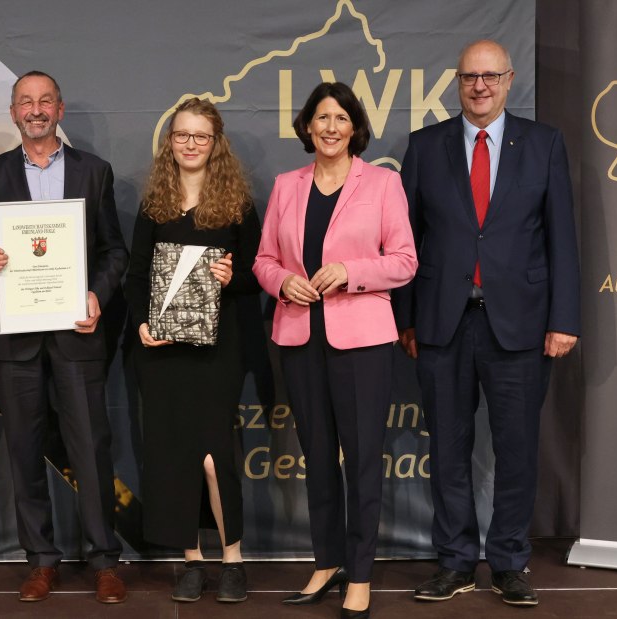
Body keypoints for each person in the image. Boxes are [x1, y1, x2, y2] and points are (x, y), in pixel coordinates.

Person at [394, 39, 580, 608]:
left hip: (521, 326)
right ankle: (454, 560)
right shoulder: (425, 146)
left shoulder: (544, 144)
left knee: (517, 450)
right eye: (470, 76)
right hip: (441, 324)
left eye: (490, 76)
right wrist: (406, 319)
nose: (480, 86)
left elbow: (561, 237)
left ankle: (508, 561)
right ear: (457, 82)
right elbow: (406, 239)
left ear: (509, 80)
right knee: (448, 451)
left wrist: (563, 319)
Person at [253, 81, 416, 619]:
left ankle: (360, 573)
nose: (330, 127)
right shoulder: (287, 185)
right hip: (300, 338)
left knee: (363, 459)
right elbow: (263, 259)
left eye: (340, 118)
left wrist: (351, 271)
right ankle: (326, 562)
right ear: (307, 126)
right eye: (321, 117)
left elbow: (404, 261)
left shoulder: (383, 183)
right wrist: (282, 282)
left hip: (363, 342)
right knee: (318, 457)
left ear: (354, 128)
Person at [0, 71, 129, 604]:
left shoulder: (94, 171)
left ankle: (104, 559)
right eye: (25, 102)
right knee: (23, 449)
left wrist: (96, 295)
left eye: (45, 101)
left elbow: (114, 251)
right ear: (13, 113)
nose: (35, 110)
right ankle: (41, 560)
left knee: (91, 447)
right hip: (13, 339)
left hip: (76, 333)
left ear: (59, 110)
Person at [124, 98, 260, 603]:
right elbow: (136, 275)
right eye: (182, 134)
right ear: (170, 141)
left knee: (212, 456)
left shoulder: (237, 204)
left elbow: (257, 273)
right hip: (162, 352)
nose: (191, 144)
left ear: (215, 142)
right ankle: (191, 559)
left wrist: (231, 277)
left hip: (218, 351)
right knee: (176, 454)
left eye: (201, 136)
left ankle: (233, 558)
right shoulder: (154, 204)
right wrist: (141, 324)